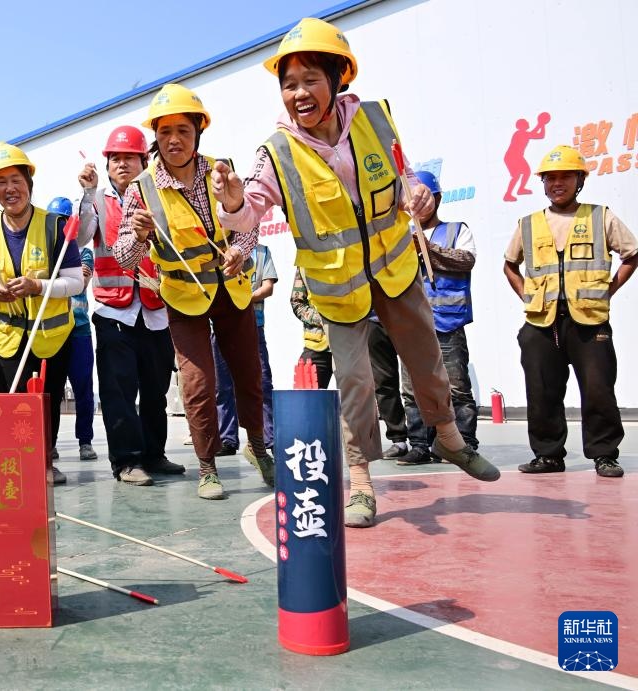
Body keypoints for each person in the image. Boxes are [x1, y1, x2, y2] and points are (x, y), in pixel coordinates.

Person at [214, 18, 500, 527]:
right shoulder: (275, 152)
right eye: (288, 83)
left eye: (309, 80)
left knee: (426, 358)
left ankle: (451, 439)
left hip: (394, 267)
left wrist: (415, 191)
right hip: (337, 286)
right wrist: (236, 204)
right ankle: (362, 482)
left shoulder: (375, 119)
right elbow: (251, 208)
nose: (298, 93)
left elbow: (403, 170)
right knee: (355, 382)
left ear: (337, 78)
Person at [113, 84, 273, 500]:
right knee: (198, 383)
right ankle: (207, 467)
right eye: (165, 132)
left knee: (249, 376)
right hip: (184, 299)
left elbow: (247, 222)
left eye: (183, 130)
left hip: (233, 291)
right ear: (155, 137)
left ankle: (259, 449)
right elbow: (124, 257)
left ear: (199, 131)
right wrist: (139, 236)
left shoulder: (222, 173)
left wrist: (239, 248)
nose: (174, 140)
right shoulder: (141, 190)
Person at [503, 145, 636, 478]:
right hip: (540, 321)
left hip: (589, 321)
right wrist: (527, 297)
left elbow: (631, 254)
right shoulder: (528, 223)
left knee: (598, 388)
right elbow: (509, 265)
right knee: (541, 388)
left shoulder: (600, 216)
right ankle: (548, 455)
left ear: (580, 180)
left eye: (565, 177)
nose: (557, 183)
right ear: (544, 184)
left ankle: (604, 454)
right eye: (550, 178)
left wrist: (608, 291)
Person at [0, 143, 84, 486]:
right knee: (13, 404)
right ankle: (16, 465)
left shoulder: (56, 227)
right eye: (1, 182)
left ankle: (46, 461)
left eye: (16, 180)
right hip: (6, 335)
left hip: (50, 335)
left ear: (29, 184)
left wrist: (39, 286)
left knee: (45, 403)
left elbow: (76, 281)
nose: (10, 189)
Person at [78, 125, 182, 487]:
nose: (122, 164)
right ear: (107, 165)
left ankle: (154, 454)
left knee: (156, 388)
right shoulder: (96, 201)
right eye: (116, 158)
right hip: (113, 310)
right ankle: (126, 461)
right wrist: (87, 193)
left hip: (156, 309)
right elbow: (80, 237)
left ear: (145, 160)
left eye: (130, 157)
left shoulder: (161, 197)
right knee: (119, 391)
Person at [399, 171, 479, 465]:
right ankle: (420, 443)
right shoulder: (400, 236)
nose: (419, 204)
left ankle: (464, 443)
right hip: (411, 326)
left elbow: (466, 260)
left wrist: (428, 249)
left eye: (425, 197)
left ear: (438, 198)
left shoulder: (457, 230)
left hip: (448, 321)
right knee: (412, 388)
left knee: (456, 386)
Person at [212, 243, 278, 454]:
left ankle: (269, 437)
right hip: (219, 325)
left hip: (253, 324)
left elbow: (268, 287)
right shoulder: (216, 247)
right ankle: (227, 439)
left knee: (261, 381)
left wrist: (240, 301)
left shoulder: (262, 251)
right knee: (222, 385)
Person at [47, 196, 98, 462]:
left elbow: (82, 280)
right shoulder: (45, 251)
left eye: (67, 221)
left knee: (83, 389)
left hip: (78, 331)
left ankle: (85, 441)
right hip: (54, 331)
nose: (62, 225)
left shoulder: (83, 251)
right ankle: (49, 443)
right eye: (58, 221)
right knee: (51, 391)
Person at [367, 316, 409, 459]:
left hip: (406, 318)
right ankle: (399, 441)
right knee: (383, 382)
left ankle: (422, 441)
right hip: (373, 320)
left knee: (419, 379)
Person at [290, 267, 333, 387]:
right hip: (316, 346)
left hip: (350, 344)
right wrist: (323, 319)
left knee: (357, 398)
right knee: (304, 396)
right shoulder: (304, 263)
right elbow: (297, 302)